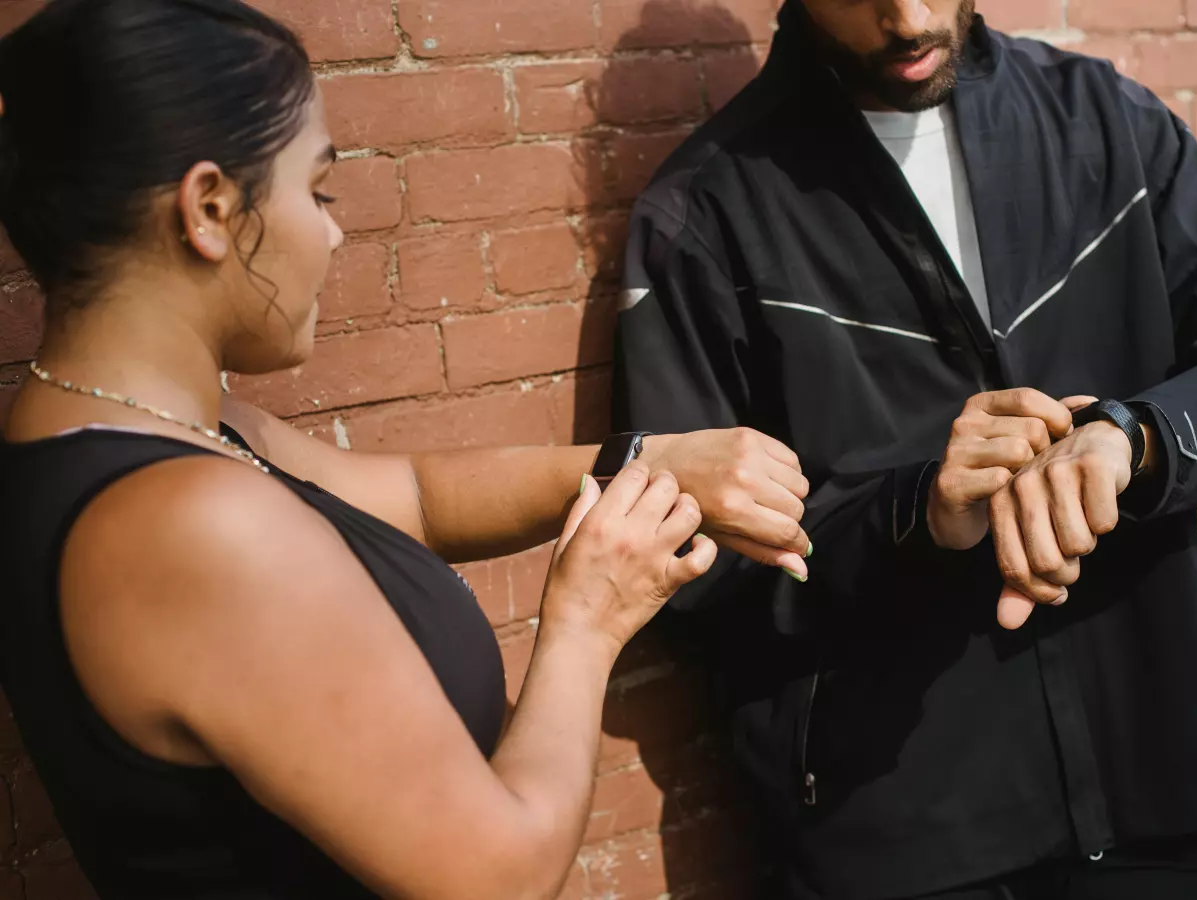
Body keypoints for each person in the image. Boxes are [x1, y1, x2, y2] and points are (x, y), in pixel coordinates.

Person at [0, 1, 815, 898]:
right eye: (315, 192)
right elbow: (494, 875)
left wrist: (647, 462)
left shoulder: (134, 433)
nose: (335, 232)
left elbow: (417, 495)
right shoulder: (191, 525)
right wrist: (588, 620)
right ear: (209, 209)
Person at [614, 1, 1197, 898]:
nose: (909, 18)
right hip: (906, 844)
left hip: (1165, 780)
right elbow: (694, 571)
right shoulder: (705, 216)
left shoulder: (1108, 124)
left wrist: (1139, 441)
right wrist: (914, 515)